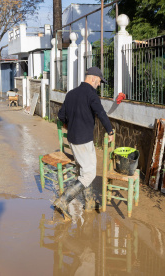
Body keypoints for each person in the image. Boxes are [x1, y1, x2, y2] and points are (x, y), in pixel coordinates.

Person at [55, 67, 114, 220]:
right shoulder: (91, 94)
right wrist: (110, 131)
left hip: (74, 139)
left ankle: (89, 203)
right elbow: (101, 113)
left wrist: (71, 125)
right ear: (93, 78)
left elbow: (61, 116)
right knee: (89, 173)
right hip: (83, 140)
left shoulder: (71, 93)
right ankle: (64, 200)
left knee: (86, 169)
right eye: (100, 81)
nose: (99, 84)